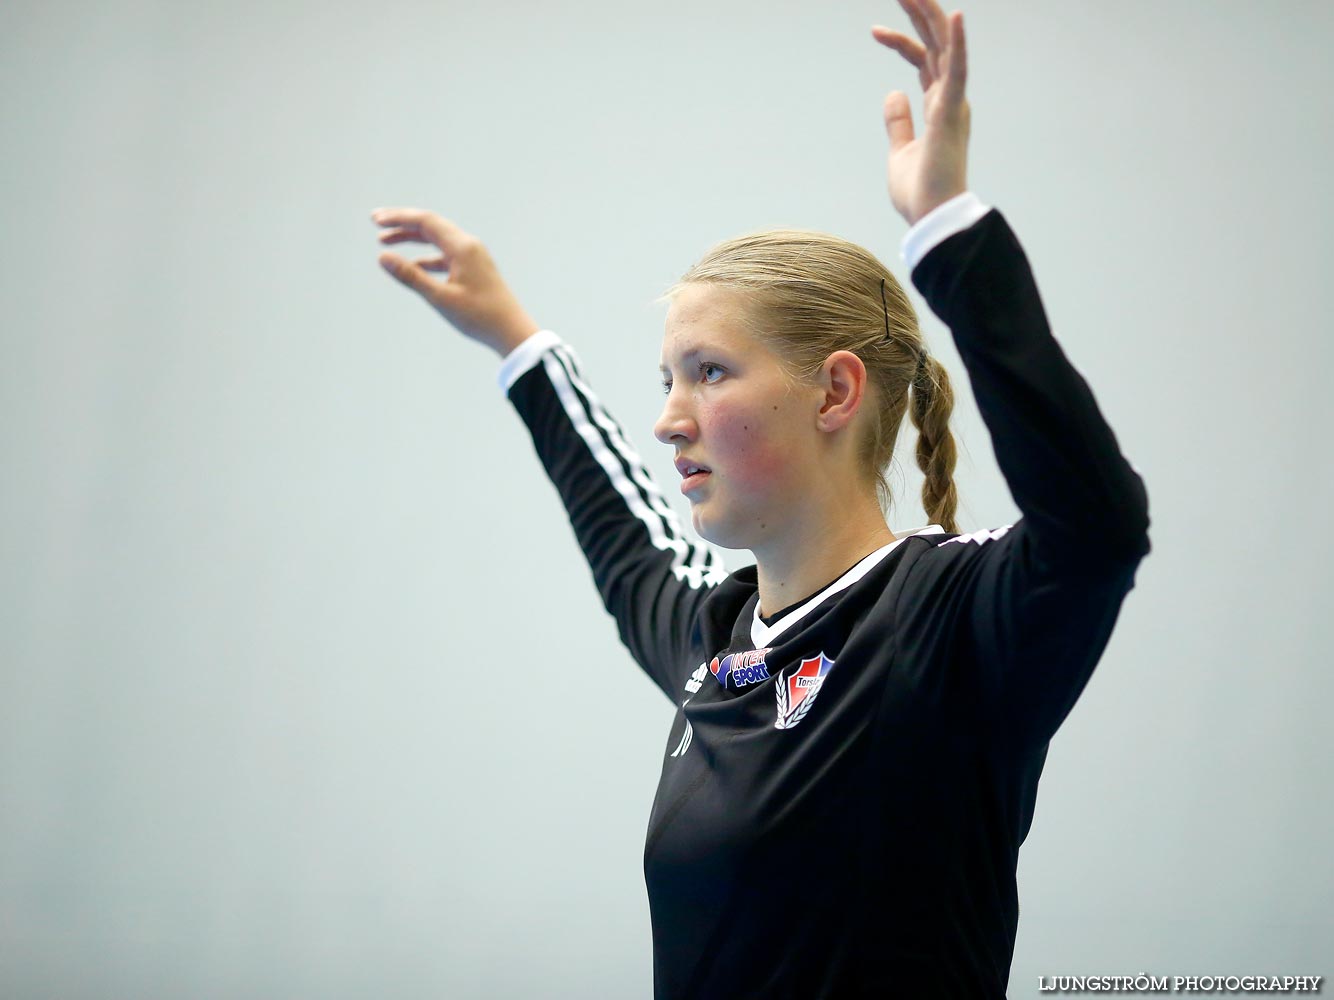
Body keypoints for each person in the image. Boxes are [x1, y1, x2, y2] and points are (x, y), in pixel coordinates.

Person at [370, 0, 1150, 995]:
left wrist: (948, 229)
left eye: (707, 373)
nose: (668, 419)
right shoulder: (716, 641)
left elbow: (1095, 525)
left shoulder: (952, 621)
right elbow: (619, 531)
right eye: (665, 380)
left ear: (832, 391)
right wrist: (516, 340)